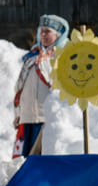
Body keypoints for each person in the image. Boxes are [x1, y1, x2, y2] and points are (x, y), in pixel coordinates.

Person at [12, 13, 67, 157]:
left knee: (42, 156)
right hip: (27, 118)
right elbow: (19, 87)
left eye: (48, 32)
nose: (43, 35)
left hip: (45, 118)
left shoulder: (62, 58)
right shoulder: (32, 57)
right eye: (41, 31)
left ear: (58, 35)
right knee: (24, 158)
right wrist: (18, 114)